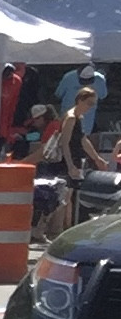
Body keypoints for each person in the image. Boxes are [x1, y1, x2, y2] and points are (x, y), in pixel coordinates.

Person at [44, 86, 109, 235]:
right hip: (67, 161)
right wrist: (70, 165)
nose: (90, 107)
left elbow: (83, 140)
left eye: (93, 104)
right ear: (80, 100)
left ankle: (65, 228)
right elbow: (64, 143)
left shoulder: (79, 118)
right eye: (89, 103)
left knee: (69, 197)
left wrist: (97, 158)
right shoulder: (71, 117)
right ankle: (59, 229)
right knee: (65, 197)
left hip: (76, 160)